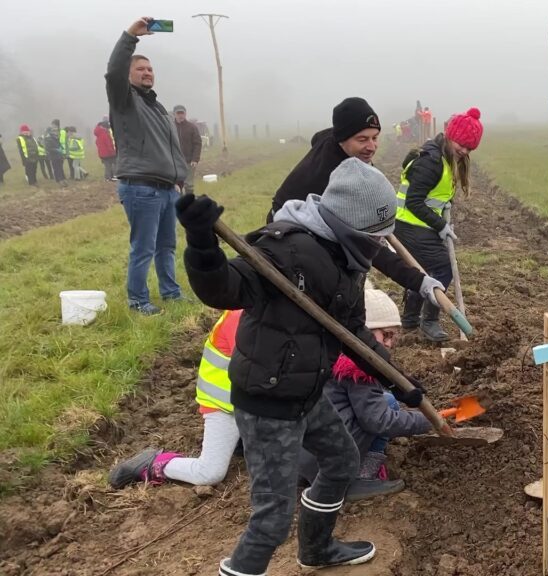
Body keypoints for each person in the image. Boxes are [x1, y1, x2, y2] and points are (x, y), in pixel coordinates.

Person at [177, 158, 412, 574]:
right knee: (272, 517)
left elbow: (352, 331)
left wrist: (397, 380)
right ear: (351, 226)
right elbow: (222, 288)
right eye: (375, 237)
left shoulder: (347, 261)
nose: (379, 246)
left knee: (341, 460)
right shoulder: (283, 250)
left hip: (306, 390)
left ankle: (316, 550)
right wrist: (201, 242)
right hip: (268, 400)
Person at [268, 97, 447, 332]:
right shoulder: (330, 179)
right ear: (342, 139)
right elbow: (368, 249)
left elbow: (321, 137)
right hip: (290, 240)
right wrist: (418, 280)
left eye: (375, 137)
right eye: (362, 139)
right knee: (325, 309)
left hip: (320, 237)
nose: (371, 146)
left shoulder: (344, 152)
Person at [298, 286, 432, 499]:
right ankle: (357, 479)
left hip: (301, 453)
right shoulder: (357, 367)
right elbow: (379, 421)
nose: (389, 343)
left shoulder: (329, 351)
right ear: (364, 332)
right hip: (329, 461)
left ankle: (313, 473)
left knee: (386, 399)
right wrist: (425, 421)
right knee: (385, 408)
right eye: (385, 335)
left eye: (393, 337)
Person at [106, 17, 189, 316]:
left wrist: (180, 180)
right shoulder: (125, 101)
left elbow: (173, 149)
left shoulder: (157, 106)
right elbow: (113, 71)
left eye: (150, 69)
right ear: (128, 76)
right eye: (140, 69)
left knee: (167, 246)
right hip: (141, 187)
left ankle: (171, 292)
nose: (147, 73)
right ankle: (138, 301)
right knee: (143, 248)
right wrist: (130, 35)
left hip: (168, 189)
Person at [109, 310, 243, 489]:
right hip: (223, 405)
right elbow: (256, 374)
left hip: (246, 402)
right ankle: (154, 463)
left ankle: (243, 441)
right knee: (209, 473)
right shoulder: (242, 316)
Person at [394, 107, 484, 342]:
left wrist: (445, 205)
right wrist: (440, 225)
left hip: (417, 224)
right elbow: (414, 201)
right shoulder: (431, 161)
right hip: (408, 225)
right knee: (442, 268)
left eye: (469, 148)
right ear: (450, 135)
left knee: (420, 269)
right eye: (461, 144)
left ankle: (411, 319)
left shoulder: (445, 158)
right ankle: (429, 321)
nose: (464, 151)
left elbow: (436, 193)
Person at [173, 104, 202, 193]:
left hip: (189, 161)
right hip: (174, 162)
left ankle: (189, 202)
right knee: (176, 184)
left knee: (189, 184)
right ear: (174, 114)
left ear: (185, 114)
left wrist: (195, 159)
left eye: (182, 113)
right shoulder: (170, 127)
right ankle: (178, 204)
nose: (180, 115)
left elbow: (197, 144)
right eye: (178, 113)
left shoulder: (192, 127)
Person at [95, 116, 117, 181]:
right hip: (108, 153)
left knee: (107, 165)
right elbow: (109, 144)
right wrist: (113, 152)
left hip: (102, 153)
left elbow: (97, 143)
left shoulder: (99, 134)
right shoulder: (105, 134)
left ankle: (108, 177)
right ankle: (110, 177)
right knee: (111, 165)